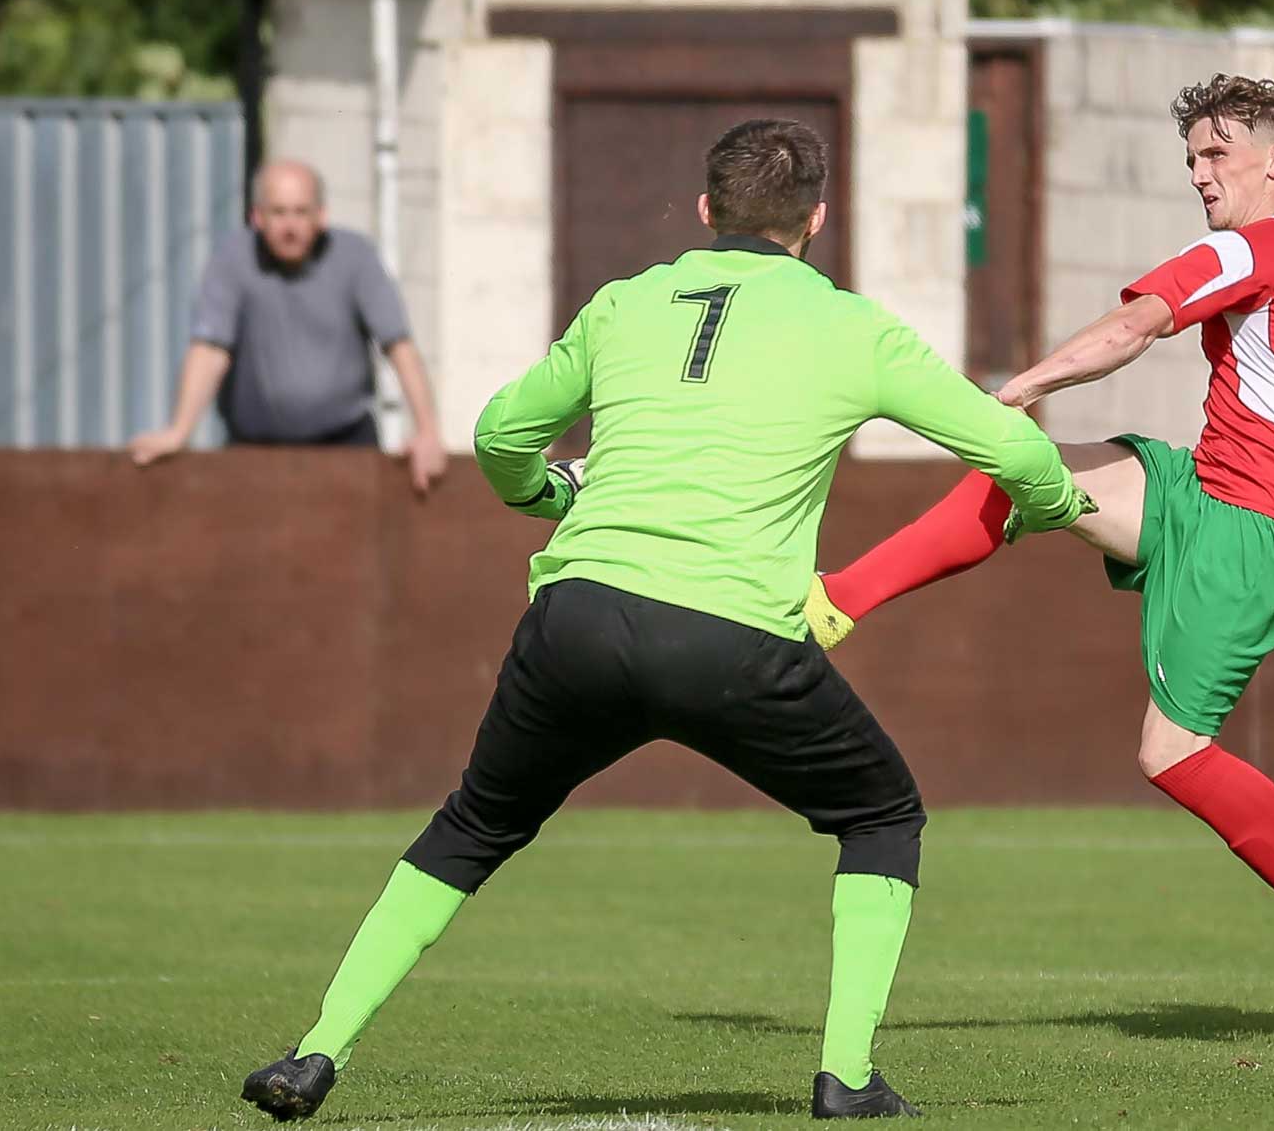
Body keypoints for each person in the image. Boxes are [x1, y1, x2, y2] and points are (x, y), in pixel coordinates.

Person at [238, 119, 1090, 1122]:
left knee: (474, 823)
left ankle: (313, 1054)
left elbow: (499, 436)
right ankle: (846, 1077)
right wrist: (1045, 513)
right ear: (815, 221)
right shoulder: (853, 327)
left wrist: (552, 499)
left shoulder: (624, 303)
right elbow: (1019, 454)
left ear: (704, 212)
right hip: (728, 637)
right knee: (879, 815)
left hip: (579, 617)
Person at [804, 75, 1274, 1050]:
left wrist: (1025, 383)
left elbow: (1134, 327)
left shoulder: (1259, 248)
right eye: (1190, 160)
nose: (1199, 175)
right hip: (1200, 492)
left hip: (1259, 539)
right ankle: (830, 601)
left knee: (1167, 752)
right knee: (1022, 476)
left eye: (1216, 155)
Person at [127, 159, 448, 496]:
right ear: (257, 217)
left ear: (321, 215)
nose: (290, 226)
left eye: (301, 212)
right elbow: (210, 348)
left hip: (346, 446)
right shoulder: (233, 259)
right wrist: (178, 431)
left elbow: (398, 345)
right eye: (279, 213)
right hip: (254, 450)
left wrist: (427, 432)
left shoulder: (356, 258)